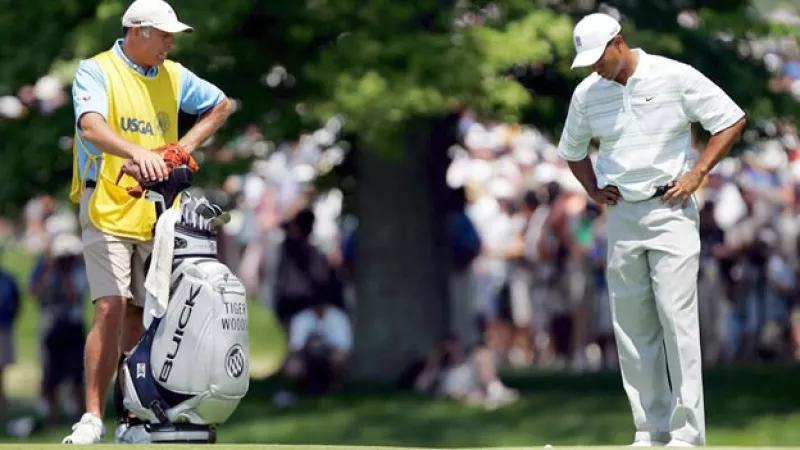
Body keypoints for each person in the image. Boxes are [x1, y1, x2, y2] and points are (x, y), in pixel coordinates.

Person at [558, 13, 746, 447]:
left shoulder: (673, 75)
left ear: (618, 42)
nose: (594, 67)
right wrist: (592, 189)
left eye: (599, 57)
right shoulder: (587, 93)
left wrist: (699, 172)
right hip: (622, 213)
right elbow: (571, 149)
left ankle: (687, 433)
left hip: (671, 206)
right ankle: (650, 429)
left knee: (676, 318)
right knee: (631, 322)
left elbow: (730, 119)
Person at [63, 0, 233, 444]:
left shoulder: (174, 75)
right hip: (106, 202)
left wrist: (180, 148)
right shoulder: (96, 70)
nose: (170, 43)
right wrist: (138, 152)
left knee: (140, 317)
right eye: (163, 35)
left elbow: (220, 105)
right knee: (110, 306)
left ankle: (131, 420)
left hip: (157, 212)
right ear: (137, 31)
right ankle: (92, 417)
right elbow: (91, 127)